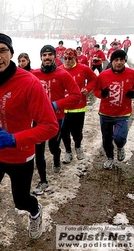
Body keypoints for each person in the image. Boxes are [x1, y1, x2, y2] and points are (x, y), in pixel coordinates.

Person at [0, 33, 59, 250]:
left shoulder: (29, 83)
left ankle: (35, 210)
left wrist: (15, 138)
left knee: (21, 201)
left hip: (21, 155)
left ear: (12, 53)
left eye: (3, 51)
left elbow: (50, 126)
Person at [31, 45, 81, 195]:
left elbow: (76, 96)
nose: (47, 57)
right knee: (38, 151)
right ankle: (43, 181)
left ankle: (57, 157)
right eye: (44, 55)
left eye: (49, 55)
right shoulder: (34, 74)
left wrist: (56, 104)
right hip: (38, 119)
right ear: (40, 57)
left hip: (56, 118)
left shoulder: (62, 74)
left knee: (53, 147)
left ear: (54, 56)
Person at [93, 50, 134, 169]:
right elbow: (96, 90)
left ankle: (120, 147)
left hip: (123, 113)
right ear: (112, 61)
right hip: (105, 113)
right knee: (106, 139)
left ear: (125, 61)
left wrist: (133, 92)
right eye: (116, 60)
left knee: (119, 137)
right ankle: (110, 158)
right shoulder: (103, 75)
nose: (119, 62)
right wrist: (102, 94)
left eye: (121, 60)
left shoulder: (132, 74)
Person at [58, 48, 97, 164]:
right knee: (64, 131)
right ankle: (68, 151)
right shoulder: (59, 70)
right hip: (63, 107)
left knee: (77, 131)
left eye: (70, 58)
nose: (67, 61)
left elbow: (94, 79)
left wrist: (87, 89)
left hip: (78, 107)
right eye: (65, 58)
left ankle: (78, 146)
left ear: (75, 58)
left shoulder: (83, 68)